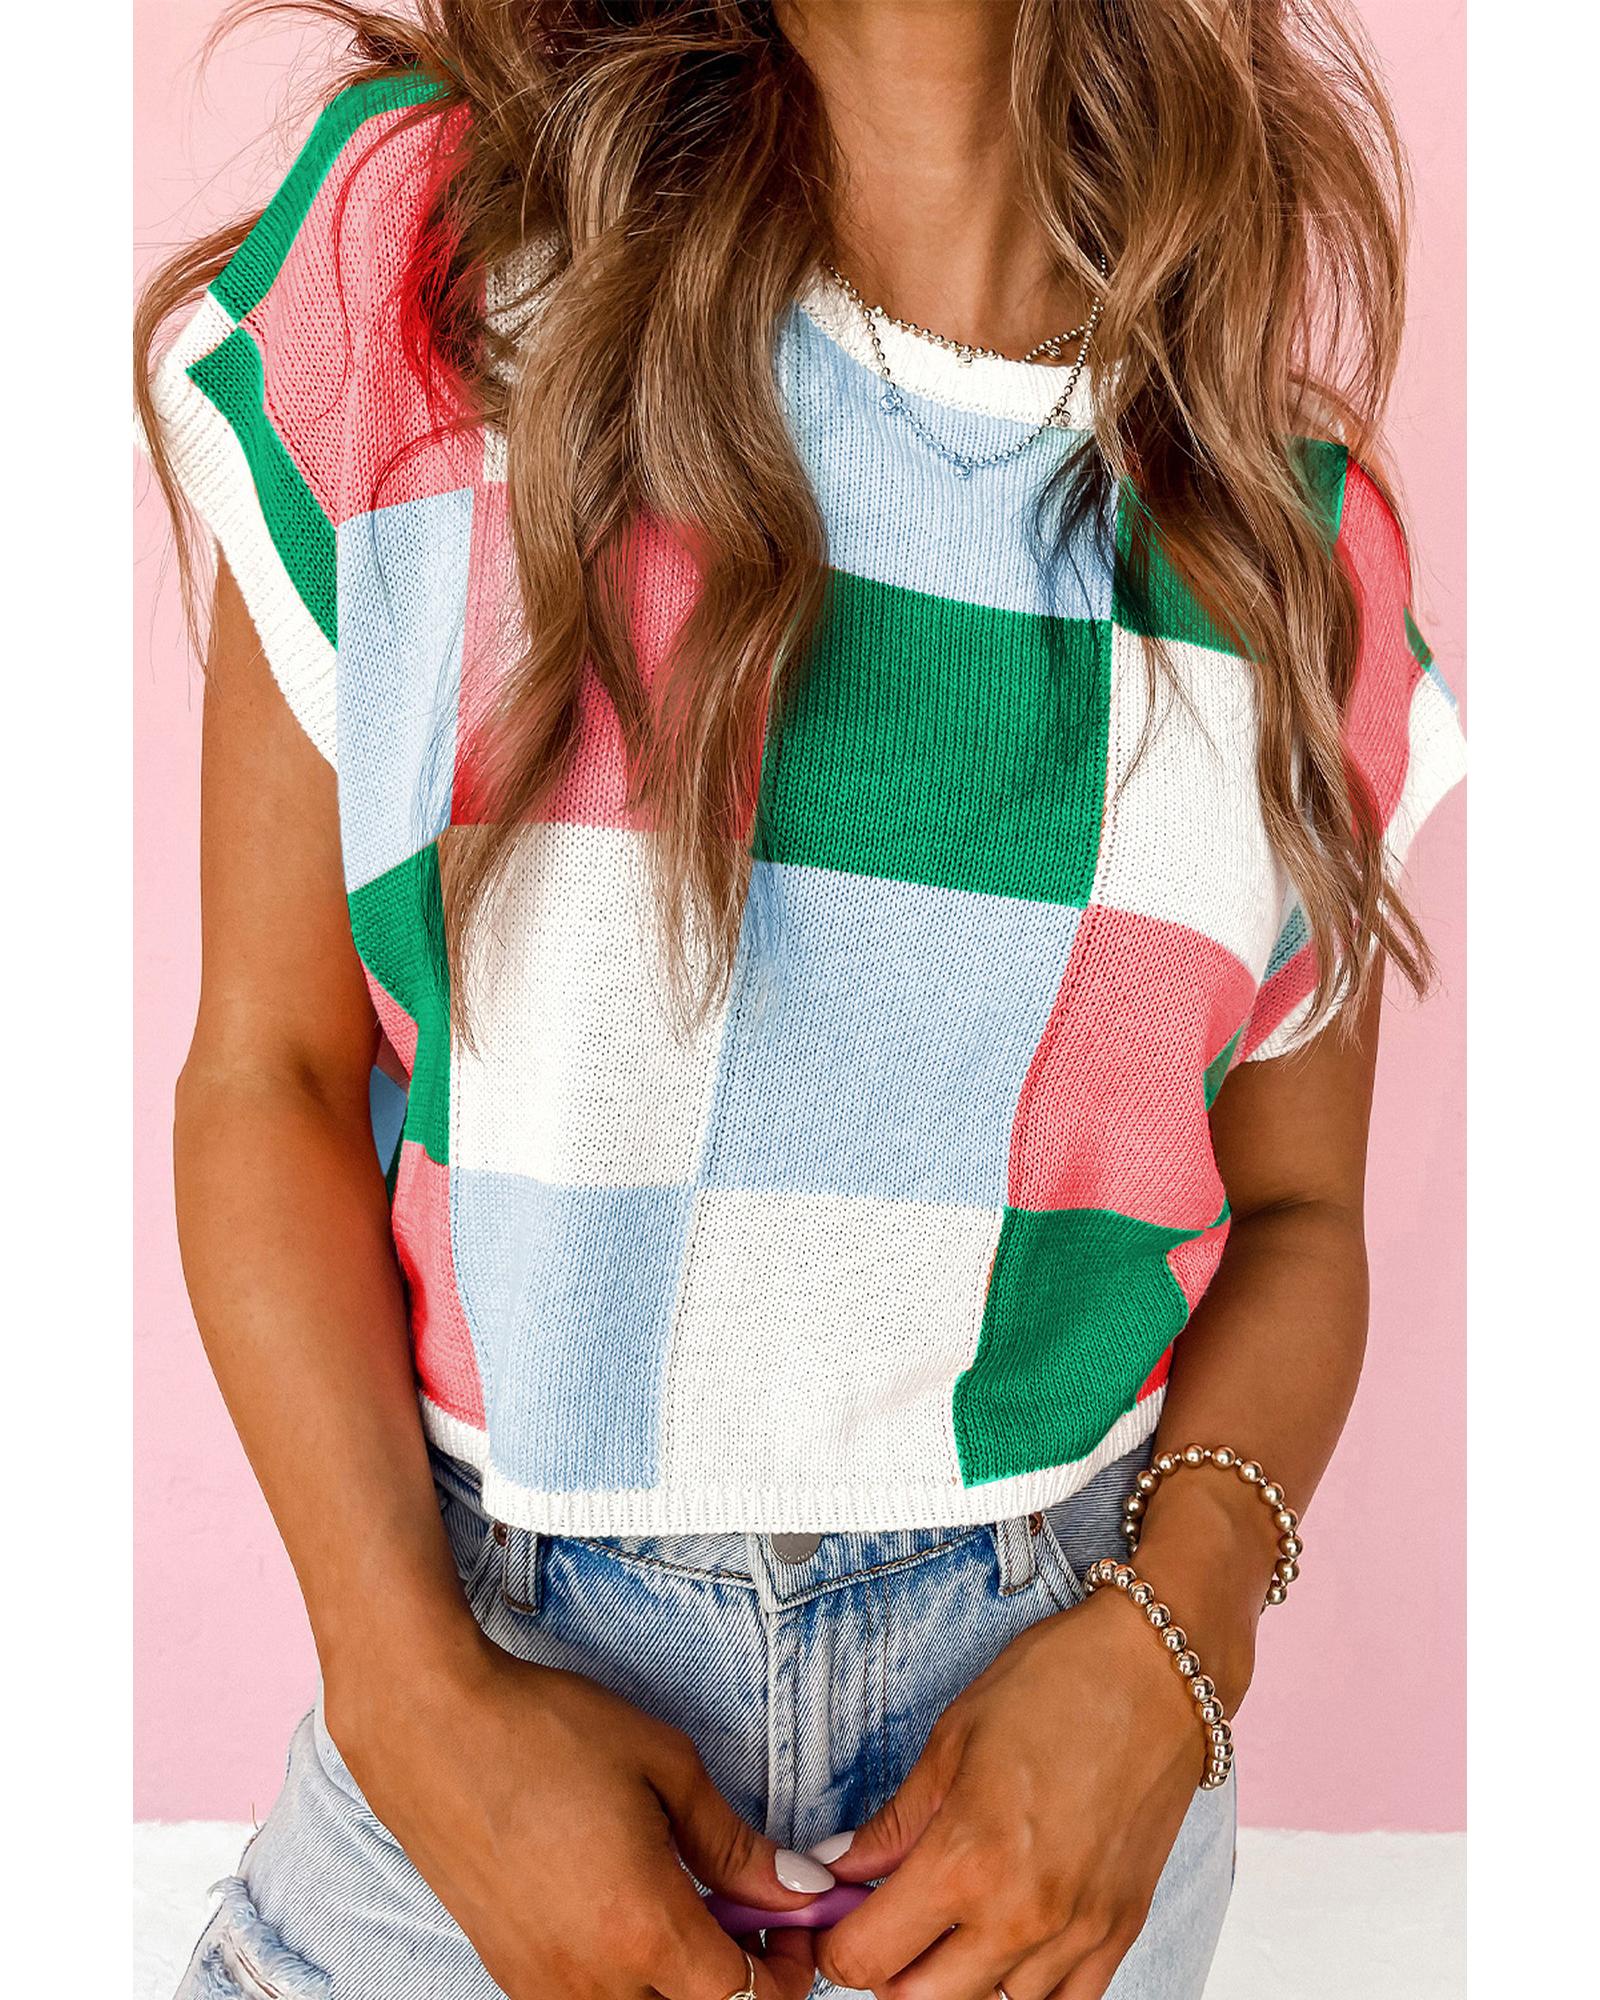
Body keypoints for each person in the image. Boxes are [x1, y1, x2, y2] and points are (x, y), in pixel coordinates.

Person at [136, 3, 1466, 1996]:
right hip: (487, 1697)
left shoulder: (1286, 542)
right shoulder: (432, 272)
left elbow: (1295, 1216)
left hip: (1052, 1776)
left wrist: (1166, 1654)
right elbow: (269, 1076)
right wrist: (413, 1703)